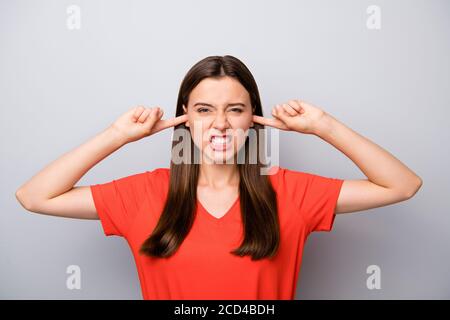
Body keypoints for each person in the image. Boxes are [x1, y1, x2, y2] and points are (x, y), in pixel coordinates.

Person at [15, 55, 422, 300]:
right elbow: (35, 196)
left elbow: (403, 185)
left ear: (253, 118)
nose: (221, 124)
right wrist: (117, 136)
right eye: (205, 109)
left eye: (236, 109)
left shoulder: (292, 191)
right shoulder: (143, 193)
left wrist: (324, 126)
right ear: (185, 119)